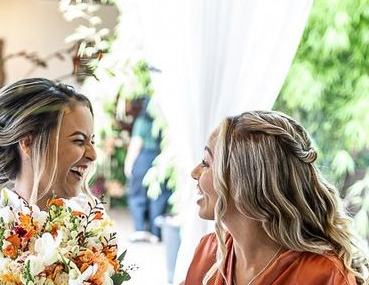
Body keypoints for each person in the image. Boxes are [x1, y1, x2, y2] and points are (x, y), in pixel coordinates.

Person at [0, 78, 98, 285]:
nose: (93, 154)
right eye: (79, 140)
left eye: (92, 141)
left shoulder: (89, 229)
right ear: (27, 142)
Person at [184, 110, 369, 285]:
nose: (194, 173)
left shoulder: (324, 275)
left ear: (246, 181)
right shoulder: (208, 252)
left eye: (206, 163)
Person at [124, 97, 171, 242]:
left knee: (137, 193)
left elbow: (136, 143)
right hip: (160, 159)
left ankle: (140, 229)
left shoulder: (142, 121)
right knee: (158, 195)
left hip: (144, 157)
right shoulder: (165, 121)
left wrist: (128, 162)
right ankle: (155, 232)